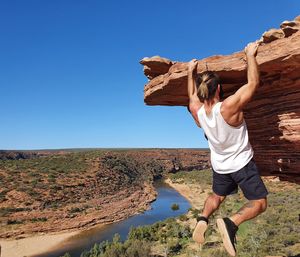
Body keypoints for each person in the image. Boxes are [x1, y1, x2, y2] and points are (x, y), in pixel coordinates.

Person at [187, 42, 268, 257]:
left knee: (217, 196)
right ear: (219, 89)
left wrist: (190, 71)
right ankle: (231, 223)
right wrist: (251, 54)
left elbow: (191, 98)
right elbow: (253, 83)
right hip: (242, 164)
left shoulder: (198, 113)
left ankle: (203, 218)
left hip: (220, 166)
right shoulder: (228, 106)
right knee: (260, 203)